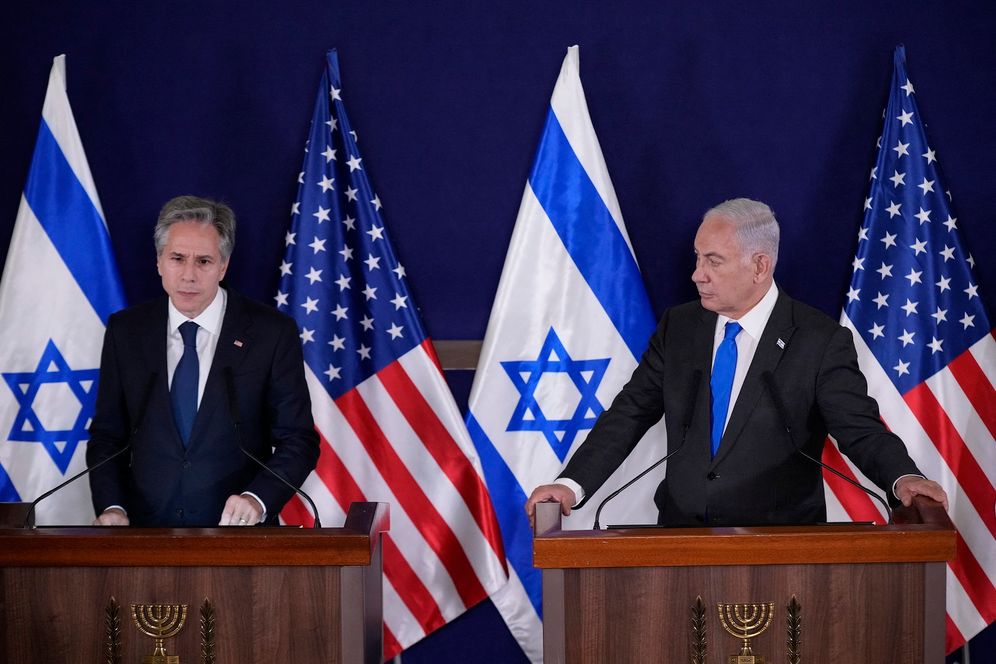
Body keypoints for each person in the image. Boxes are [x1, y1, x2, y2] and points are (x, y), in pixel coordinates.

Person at [526, 198, 947, 526]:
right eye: (697, 257)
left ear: (760, 266)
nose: (697, 274)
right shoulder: (681, 327)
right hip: (679, 543)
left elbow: (860, 430)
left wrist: (902, 477)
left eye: (713, 260)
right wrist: (569, 484)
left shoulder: (818, 340)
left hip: (780, 550)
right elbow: (629, 413)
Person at [87, 196, 319, 527]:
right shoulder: (126, 331)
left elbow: (298, 440)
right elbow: (108, 437)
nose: (189, 276)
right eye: (177, 259)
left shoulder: (270, 333)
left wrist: (258, 498)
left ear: (223, 266)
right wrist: (112, 507)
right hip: (144, 539)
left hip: (238, 538)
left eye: (204, 262)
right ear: (159, 262)